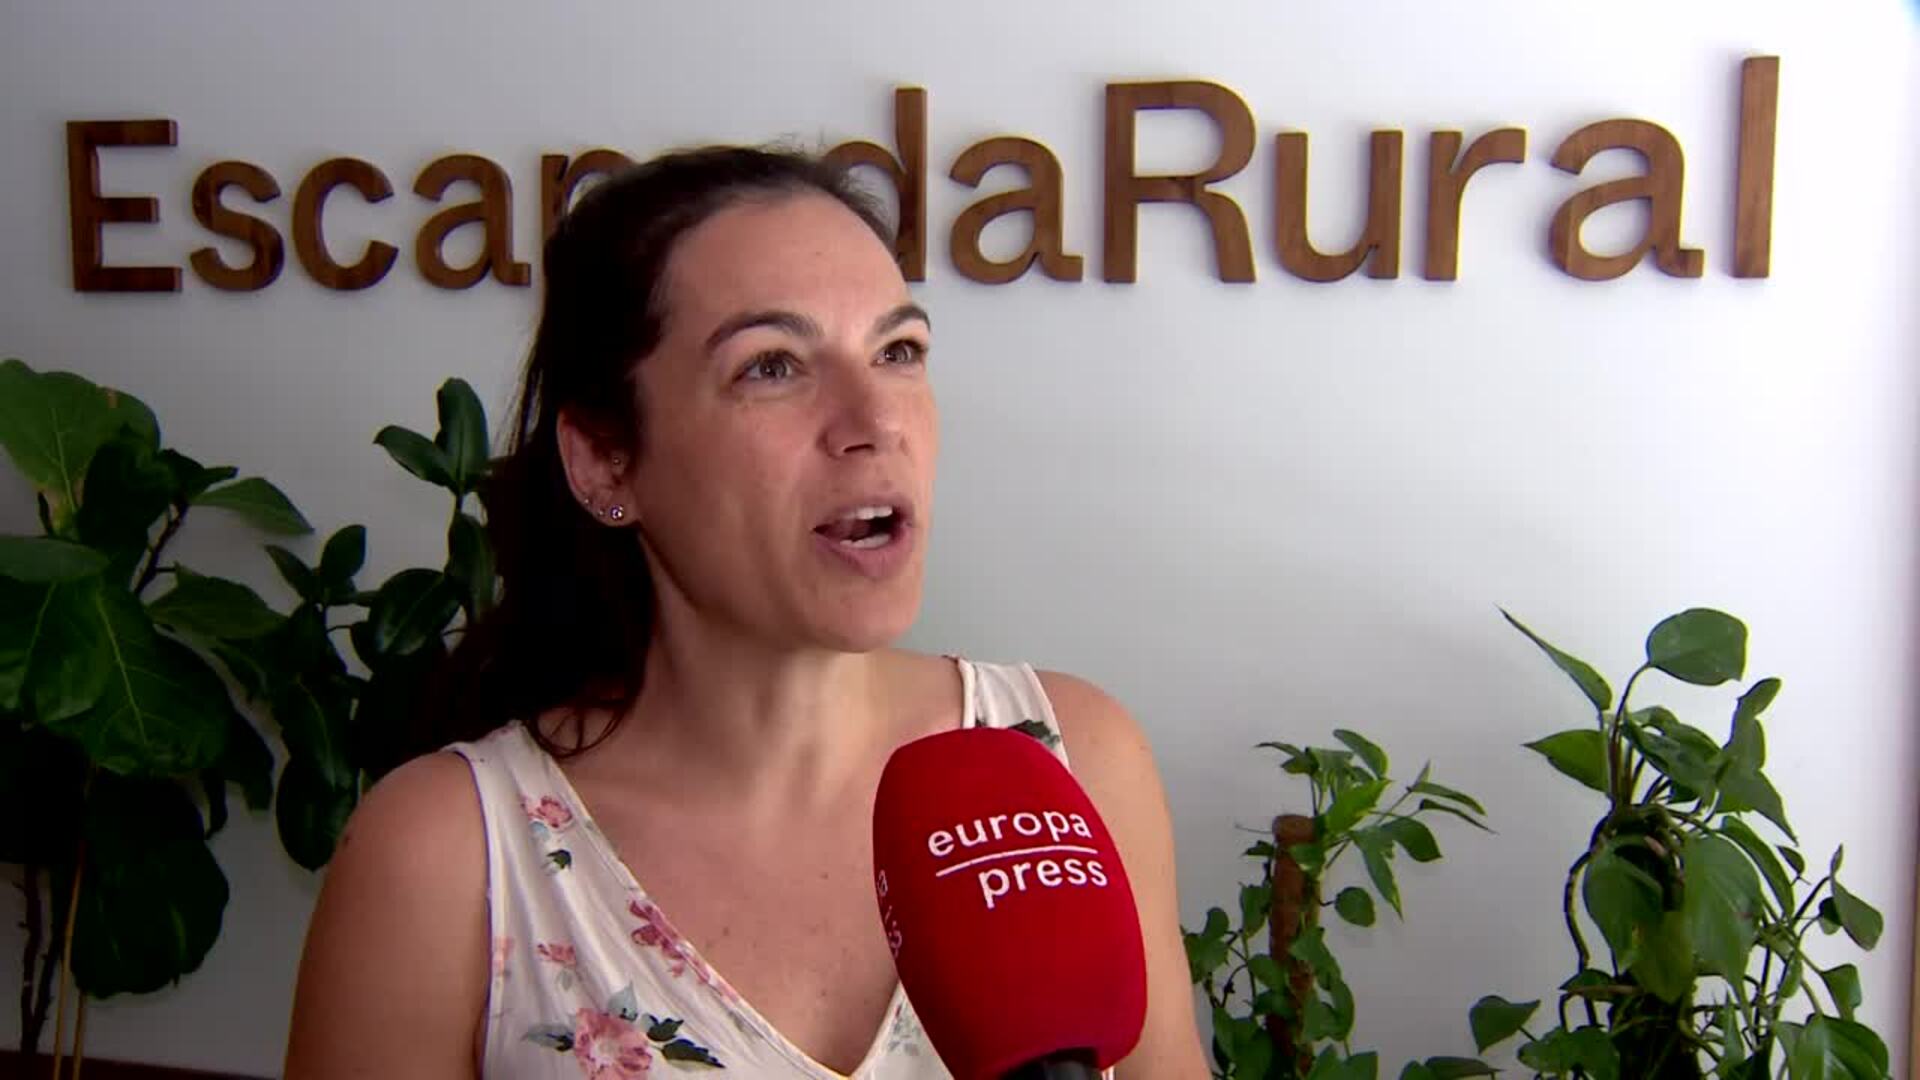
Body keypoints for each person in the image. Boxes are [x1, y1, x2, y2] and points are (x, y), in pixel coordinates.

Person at [283, 146, 1209, 1079]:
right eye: (772, 366)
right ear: (605, 459)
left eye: (898, 352)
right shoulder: (447, 856)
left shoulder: (1075, 760)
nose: (876, 421)